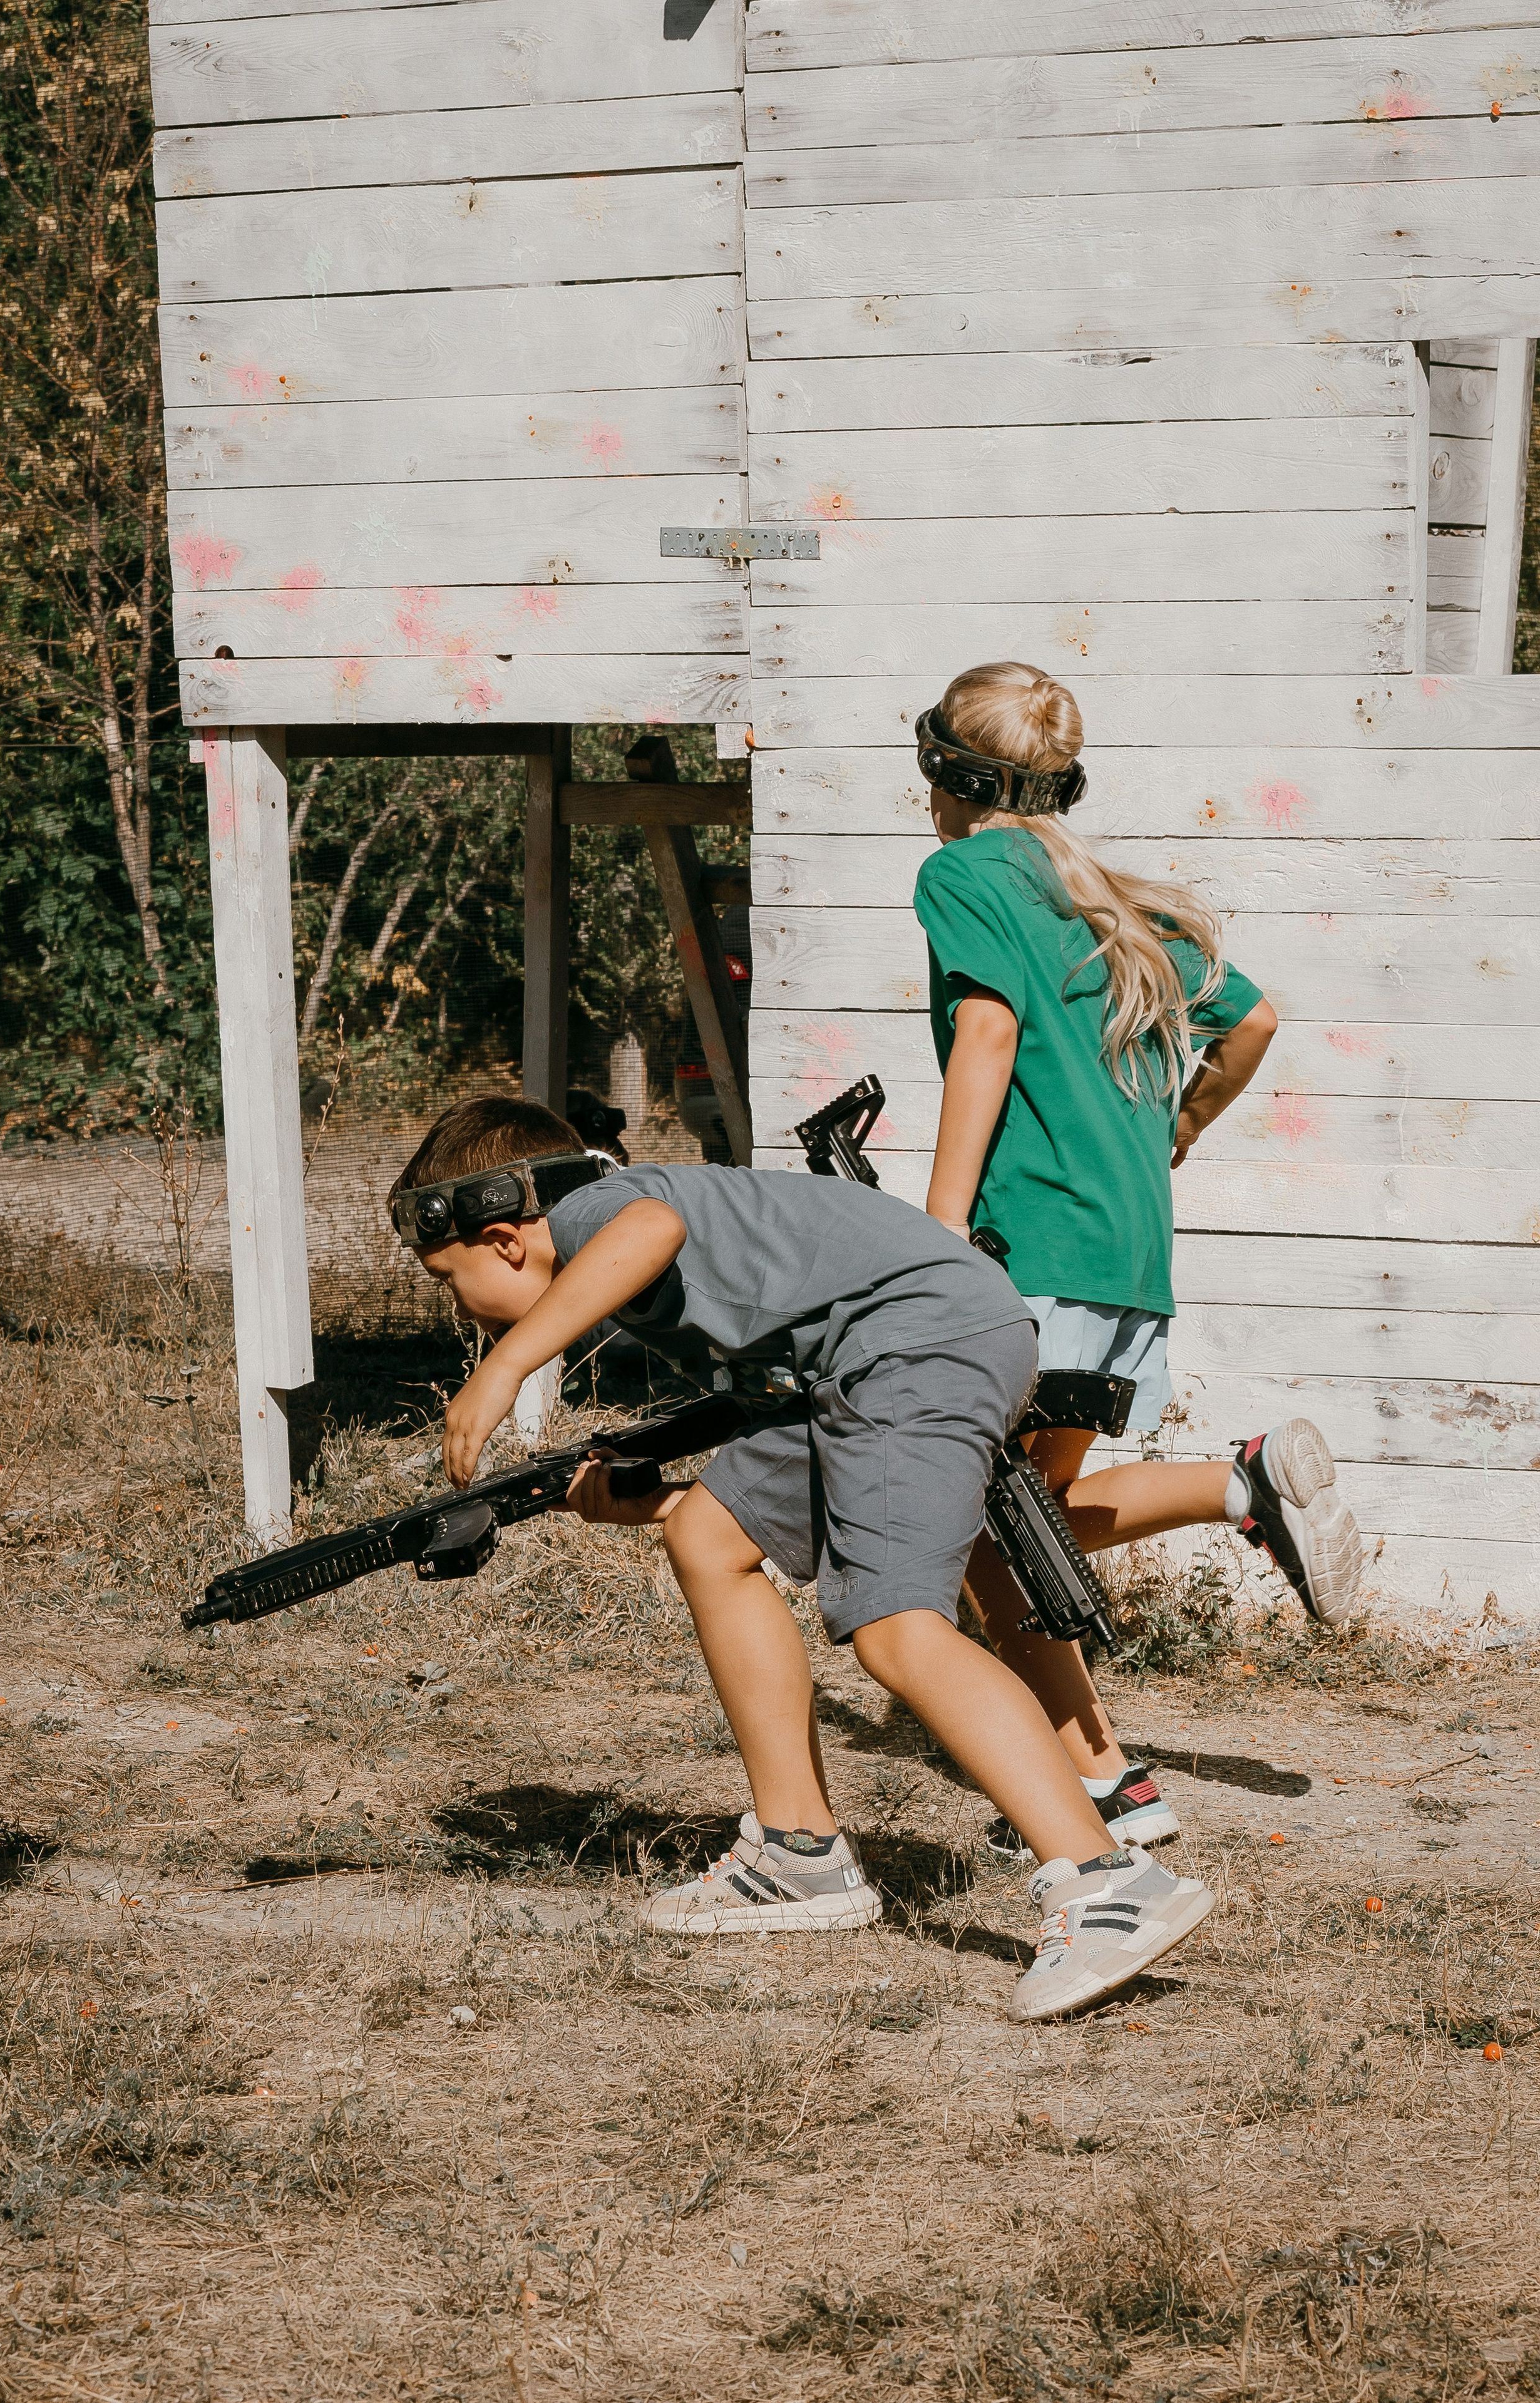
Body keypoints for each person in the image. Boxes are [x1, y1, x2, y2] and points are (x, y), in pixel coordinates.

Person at [388, 1093, 1216, 2023]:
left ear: (505, 1238)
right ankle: (799, 1851)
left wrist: (504, 1368)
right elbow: (821, 1483)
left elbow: (649, 1231)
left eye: (449, 1282)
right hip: (863, 1364)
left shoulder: (595, 1212)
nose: (461, 1312)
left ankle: (1107, 1879)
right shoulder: (635, 1218)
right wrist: (648, 1501)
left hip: (912, 1345)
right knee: (709, 1534)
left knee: (898, 1627)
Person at [911, 661, 1365, 1860]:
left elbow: (988, 1031)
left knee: (981, 1530)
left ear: (946, 770)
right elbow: (1253, 1019)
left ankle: (1104, 1782)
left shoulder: (960, 873)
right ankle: (1241, 1488)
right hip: (1124, 1253)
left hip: (1030, 1241)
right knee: (1031, 1512)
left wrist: (937, 1229)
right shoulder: (1105, 894)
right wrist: (1181, 1130)